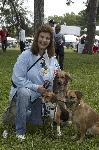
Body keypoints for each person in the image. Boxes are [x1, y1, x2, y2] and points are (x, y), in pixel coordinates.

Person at [8, 24, 60, 140]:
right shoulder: (26, 55)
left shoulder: (52, 59)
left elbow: (56, 75)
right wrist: (36, 87)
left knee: (37, 123)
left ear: (50, 41)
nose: (44, 40)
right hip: (24, 92)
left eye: (47, 38)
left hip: (39, 96)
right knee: (24, 92)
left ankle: (17, 115)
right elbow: (17, 78)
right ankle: (20, 131)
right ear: (37, 37)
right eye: (42, 37)